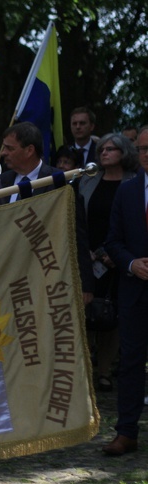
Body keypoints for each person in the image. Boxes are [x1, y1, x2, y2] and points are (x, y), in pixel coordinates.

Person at [74, 132, 139, 393]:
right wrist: (86, 252)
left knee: (114, 315)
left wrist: (118, 255)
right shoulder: (88, 181)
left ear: (124, 153)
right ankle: (86, 370)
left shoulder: (135, 183)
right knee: (87, 311)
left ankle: (104, 372)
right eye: (101, 149)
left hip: (121, 259)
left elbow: (137, 225)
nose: (104, 153)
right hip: (88, 256)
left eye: (111, 149)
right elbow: (78, 218)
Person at [102, 126, 148, 456]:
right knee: (131, 363)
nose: (146, 154)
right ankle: (127, 431)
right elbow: (113, 241)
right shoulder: (128, 191)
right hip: (134, 291)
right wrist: (132, 264)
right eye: (142, 148)